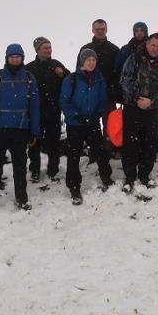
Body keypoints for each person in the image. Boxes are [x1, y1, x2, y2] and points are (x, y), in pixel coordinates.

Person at [0, 44, 41, 212]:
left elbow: (35, 106)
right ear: (7, 58)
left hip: (21, 128)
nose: (15, 59)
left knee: (20, 166)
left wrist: (34, 130)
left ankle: (22, 198)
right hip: (0, 127)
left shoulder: (29, 78)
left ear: (22, 58)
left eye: (18, 56)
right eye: (12, 56)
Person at [59, 48, 114, 205]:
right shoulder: (71, 79)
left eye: (93, 60)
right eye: (88, 59)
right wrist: (76, 115)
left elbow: (103, 99)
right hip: (75, 125)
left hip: (92, 122)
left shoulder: (99, 78)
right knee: (74, 156)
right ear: (82, 61)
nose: (91, 62)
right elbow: (64, 101)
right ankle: (74, 187)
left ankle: (106, 176)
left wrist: (97, 113)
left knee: (100, 151)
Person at [119, 33, 158, 191]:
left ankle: (144, 175)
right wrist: (138, 99)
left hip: (153, 109)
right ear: (147, 44)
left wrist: (151, 101)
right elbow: (124, 80)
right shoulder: (134, 59)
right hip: (132, 107)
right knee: (130, 142)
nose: (155, 48)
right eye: (153, 45)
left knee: (150, 142)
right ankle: (129, 177)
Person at [25, 37, 70, 182]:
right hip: (35, 111)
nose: (49, 50)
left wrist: (62, 74)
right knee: (34, 142)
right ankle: (35, 169)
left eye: (50, 47)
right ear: (37, 50)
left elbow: (70, 80)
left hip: (53, 110)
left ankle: (53, 169)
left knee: (53, 141)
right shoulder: (29, 68)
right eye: (45, 48)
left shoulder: (56, 65)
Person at [80, 19, 120, 132]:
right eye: (97, 29)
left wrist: (114, 91)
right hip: (89, 93)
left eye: (102, 29)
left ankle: (110, 148)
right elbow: (79, 72)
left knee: (110, 125)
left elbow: (119, 73)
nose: (100, 31)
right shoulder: (85, 49)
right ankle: (94, 148)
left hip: (108, 94)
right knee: (90, 124)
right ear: (92, 30)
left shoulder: (114, 49)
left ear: (106, 30)